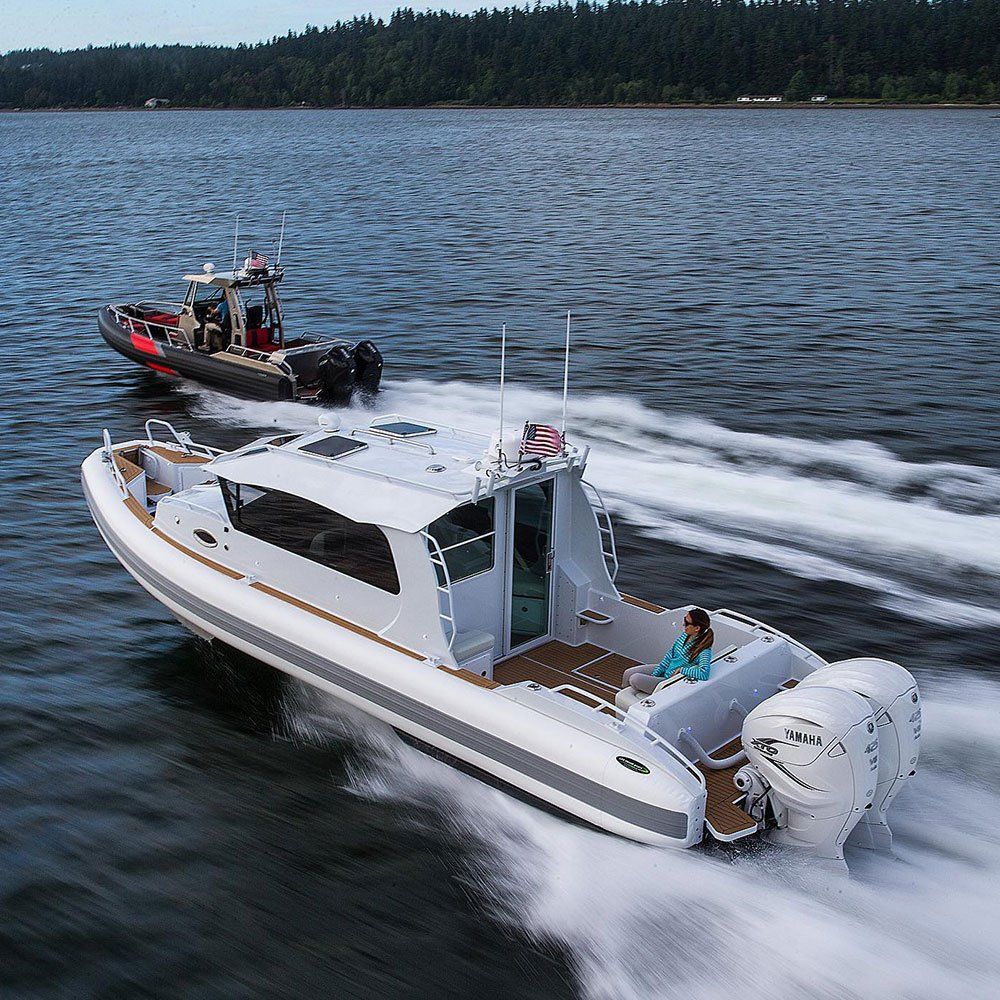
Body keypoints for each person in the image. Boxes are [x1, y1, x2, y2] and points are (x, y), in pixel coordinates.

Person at [621, 608, 714, 695]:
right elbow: (669, 656)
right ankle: (622, 695)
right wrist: (656, 673)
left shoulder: (704, 651)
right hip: (666, 669)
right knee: (628, 673)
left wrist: (681, 670)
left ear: (697, 628)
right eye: (684, 619)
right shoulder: (685, 636)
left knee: (634, 679)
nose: (683, 624)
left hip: (669, 681)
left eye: (686, 622)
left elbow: (704, 673)